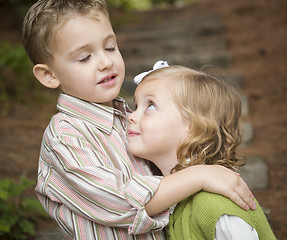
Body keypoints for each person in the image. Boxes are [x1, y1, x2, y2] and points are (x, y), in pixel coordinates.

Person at [21, 0, 256, 239]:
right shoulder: (65, 137)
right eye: (85, 58)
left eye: (110, 47)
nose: (105, 62)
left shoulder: (129, 118)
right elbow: (117, 201)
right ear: (49, 75)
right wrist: (200, 176)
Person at [127, 62, 277, 239]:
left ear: (194, 126)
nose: (130, 116)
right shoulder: (172, 200)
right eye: (135, 106)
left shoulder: (213, 205)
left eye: (150, 105)